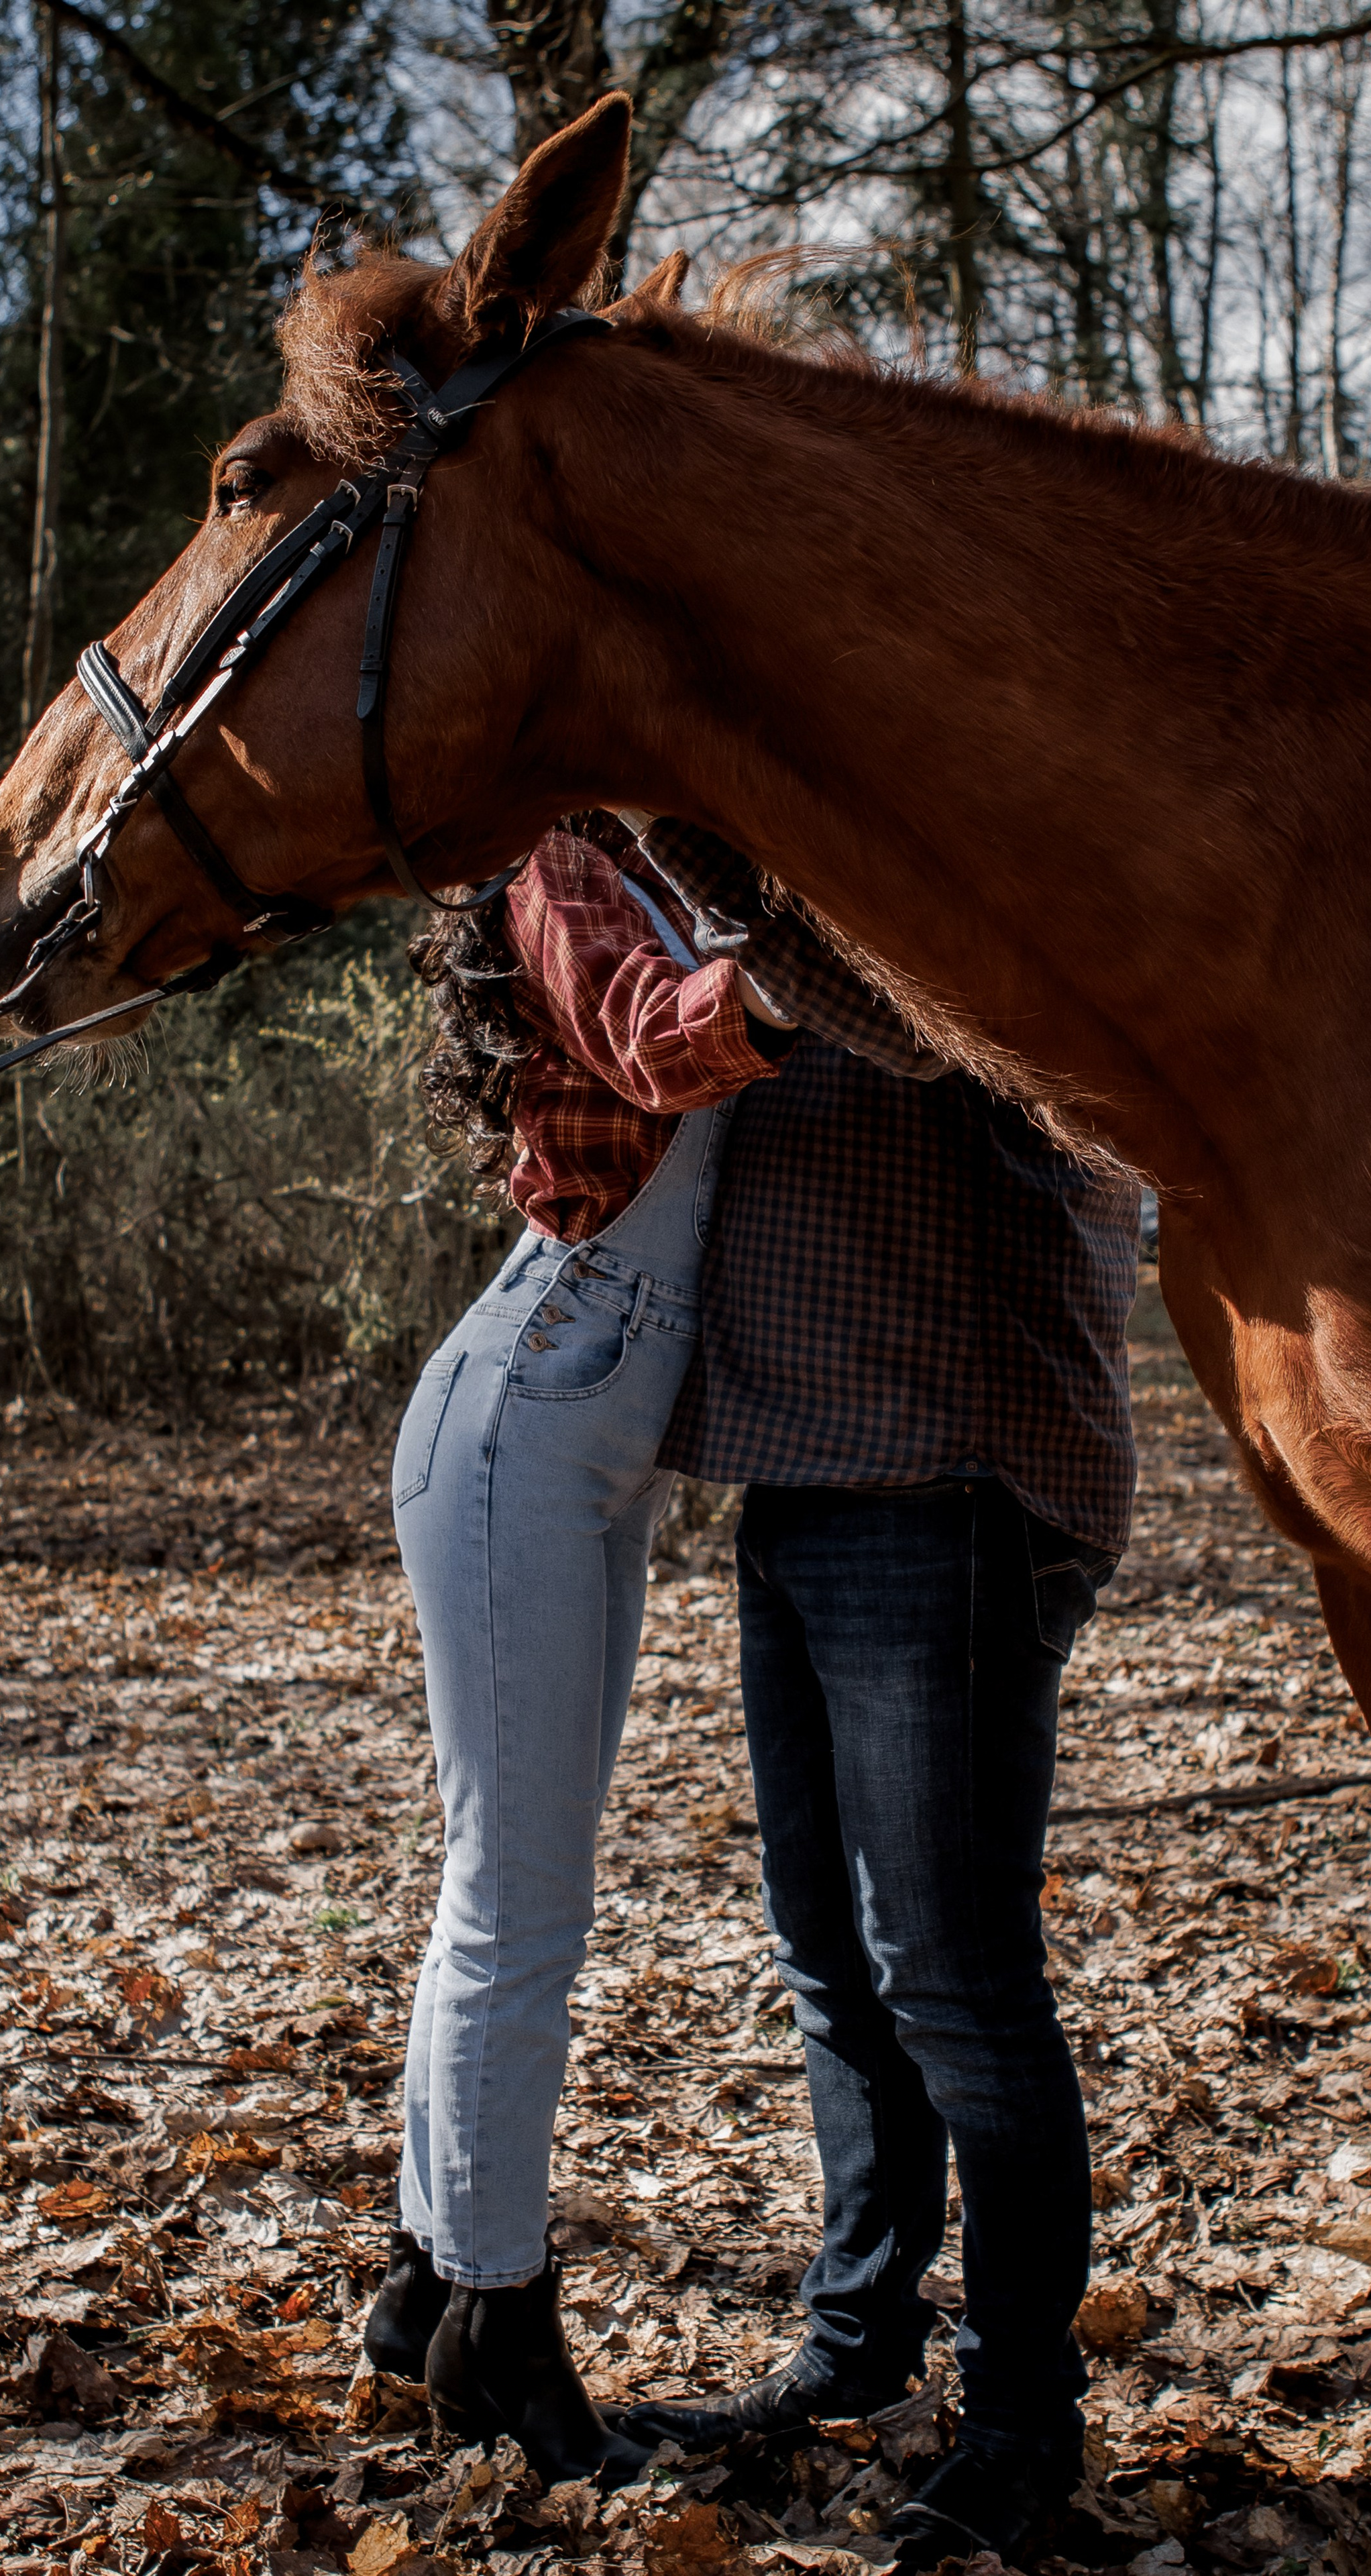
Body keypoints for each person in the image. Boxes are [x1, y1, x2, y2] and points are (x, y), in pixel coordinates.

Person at [610, 822, 1141, 2570]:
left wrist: (698, 840)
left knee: (953, 1985)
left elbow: (912, 1024)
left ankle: (1019, 2426)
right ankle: (855, 2354)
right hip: (807, 1474)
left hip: (952, 1478)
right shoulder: (786, 867)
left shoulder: (939, 857)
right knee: (837, 1967)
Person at [359, 822, 796, 2487]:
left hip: (587, 1419)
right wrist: (816, 987)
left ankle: (420, 2278)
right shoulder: (557, 859)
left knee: (511, 1881)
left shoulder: (688, 857)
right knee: (516, 1900)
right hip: (528, 1406)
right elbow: (641, 1035)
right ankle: (493, 2311)